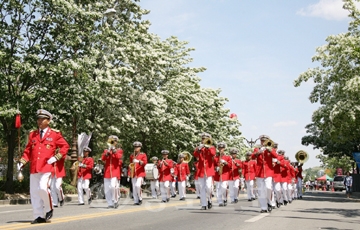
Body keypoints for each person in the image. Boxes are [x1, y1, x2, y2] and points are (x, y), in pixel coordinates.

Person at [17, 109, 69, 224]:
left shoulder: (55, 134)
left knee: (43, 188)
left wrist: (56, 157)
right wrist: (22, 162)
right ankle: (39, 215)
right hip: (34, 167)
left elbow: (65, 146)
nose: (40, 121)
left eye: (42, 119)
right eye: (38, 119)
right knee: (34, 192)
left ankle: (49, 208)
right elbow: (28, 151)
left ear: (48, 121)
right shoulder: (32, 134)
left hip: (46, 167)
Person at [251, 134, 278, 213]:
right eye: (262, 141)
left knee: (268, 188)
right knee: (261, 190)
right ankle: (263, 207)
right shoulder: (257, 148)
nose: (263, 142)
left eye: (265, 141)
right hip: (259, 172)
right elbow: (252, 156)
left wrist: (269, 149)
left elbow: (275, 156)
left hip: (268, 171)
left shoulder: (270, 148)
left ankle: (270, 202)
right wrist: (259, 152)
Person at [193, 132, 216, 210]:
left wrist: (207, 147)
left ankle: (209, 200)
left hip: (209, 170)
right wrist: (199, 149)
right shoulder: (199, 147)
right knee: (201, 187)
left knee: (209, 187)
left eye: (205, 139)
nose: (203, 140)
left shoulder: (211, 147)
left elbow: (213, 154)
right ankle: (203, 204)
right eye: (203, 139)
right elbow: (195, 155)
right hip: (201, 170)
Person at [101, 135, 122, 208]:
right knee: (107, 189)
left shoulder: (119, 150)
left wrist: (114, 150)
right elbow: (103, 158)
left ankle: (115, 200)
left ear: (116, 142)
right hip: (107, 172)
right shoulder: (106, 150)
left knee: (113, 186)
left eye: (114, 141)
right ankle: (110, 203)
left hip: (115, 171)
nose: (112, 142)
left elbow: (118, 157)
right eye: (111, 141)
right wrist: (107, 152)